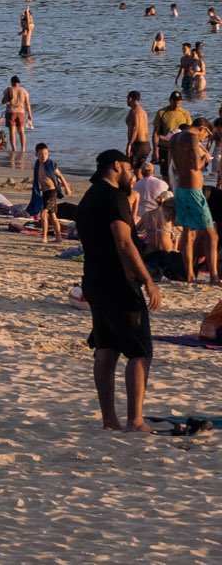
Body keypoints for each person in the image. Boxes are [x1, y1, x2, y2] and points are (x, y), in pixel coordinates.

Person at [74, 150, 160, 431]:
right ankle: (135, 419)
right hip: (118, 282)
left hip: (94, 280)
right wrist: (147, 280)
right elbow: (124, 243)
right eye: (130, 169)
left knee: (106, 348)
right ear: (117, 167)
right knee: (139, 352)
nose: (133, 175)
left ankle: (109, 419)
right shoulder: (115, 198)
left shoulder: (90, 197)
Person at [165, 118, 218, 286]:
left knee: (188, 233)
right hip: (194, 191)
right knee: (212, 235)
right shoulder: (192, 138)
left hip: (181, 189)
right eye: (206, 135)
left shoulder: (175, 138)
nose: (204, 139)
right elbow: (196, 165)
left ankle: (189, 275)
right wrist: (206, 158)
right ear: (201, 128)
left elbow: (174, 163)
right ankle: (214, 276)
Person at [28, 143, 71, 242]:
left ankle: (44, 237)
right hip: (44, 192)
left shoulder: (51, 164)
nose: (44, 156)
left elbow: (60, 176)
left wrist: (67, 187)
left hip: (52, 191)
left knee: (43, 213)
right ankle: (58, 237)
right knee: (53, 216)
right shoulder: (37, 164)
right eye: (41, 154)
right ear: (36, 155)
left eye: (46, 154)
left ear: (48, 154)